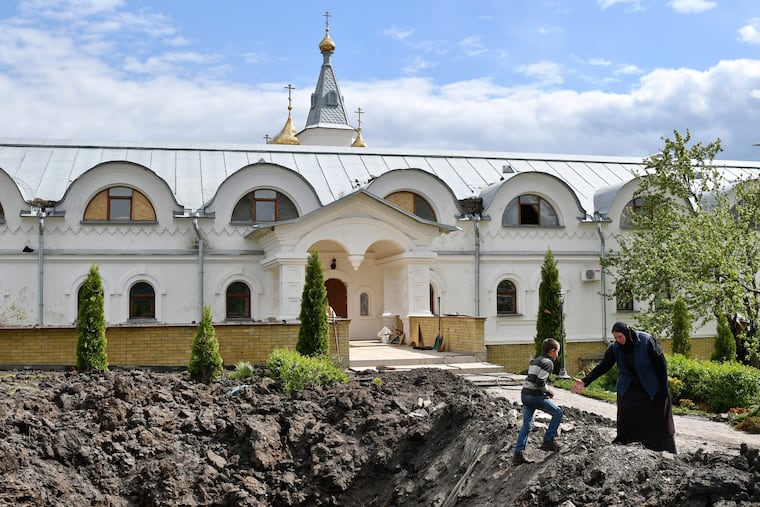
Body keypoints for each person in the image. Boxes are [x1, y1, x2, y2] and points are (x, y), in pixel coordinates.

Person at [571, 321, 677, 453]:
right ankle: (625, 443)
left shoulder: (646, 341)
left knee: (658, 416)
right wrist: (585, 381)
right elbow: (604, 366)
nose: (618, 340)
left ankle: (663, 448)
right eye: (615, 338)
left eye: (620, 337)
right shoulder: (615, 347)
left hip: (650, 385)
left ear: (627, 333)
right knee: (625, 408)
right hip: (629, 386)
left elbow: (661, 365)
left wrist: (663, 389)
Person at [513, 338, 564, 465]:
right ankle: (548, 440)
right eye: (558, 351)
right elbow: (540, 382)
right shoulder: (548, 362)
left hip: (525, 395)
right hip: (534, 396)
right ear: (552, 351)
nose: (558, 354)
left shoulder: (536, 360)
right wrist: (549, 392)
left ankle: (518, 454)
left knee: (527, 425)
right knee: (558, 413)